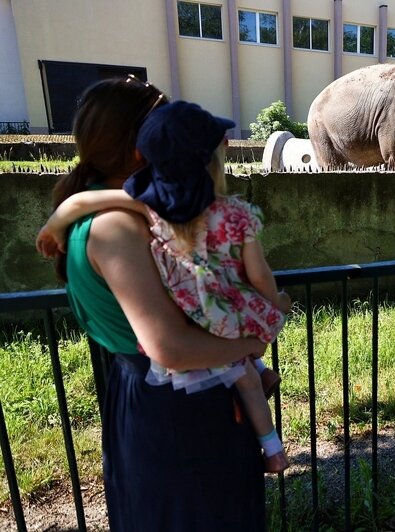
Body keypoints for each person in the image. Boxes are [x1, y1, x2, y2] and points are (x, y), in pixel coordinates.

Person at [38, 77, 270, 531]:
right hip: (172, 407)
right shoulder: (116, 229)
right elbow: (170, 347)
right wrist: (250, 345)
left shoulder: (132, 214)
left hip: (175, 398)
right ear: (143, 150)